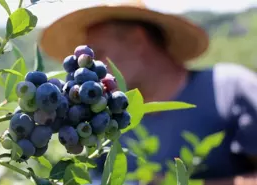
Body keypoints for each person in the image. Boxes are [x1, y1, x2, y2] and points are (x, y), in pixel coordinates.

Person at [39, 0, 257, 184]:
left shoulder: (228, 87)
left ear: (137, 40)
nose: (89, 70)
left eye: (99, 54)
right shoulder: (105, 121)